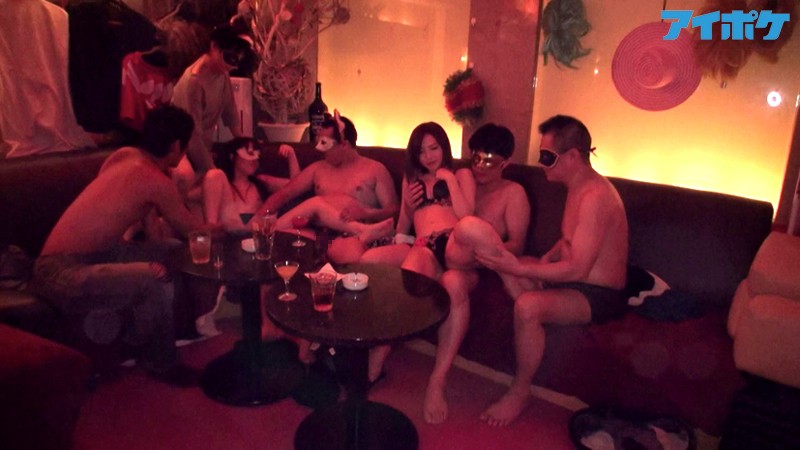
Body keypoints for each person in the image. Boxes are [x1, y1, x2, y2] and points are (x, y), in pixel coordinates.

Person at [30, 104, 215, 386]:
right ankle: (162, 363)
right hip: (60, 273)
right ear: (177, 146)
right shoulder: (155, 180)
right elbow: (194, 232)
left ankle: (141, 338)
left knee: (170, 251)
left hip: (97, 255)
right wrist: (225, 229)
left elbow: (151, 234)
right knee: (154, 279)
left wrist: (149, 251)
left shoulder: (124, 155)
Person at [475, 115, 629, 426]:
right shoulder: (576, 186)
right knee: (513, 267)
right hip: (576, 281)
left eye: (547, 157)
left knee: (527, 305)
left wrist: (522, 267)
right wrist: (544, 259)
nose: (540, 163)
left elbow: (578, 269)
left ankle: (520, 391)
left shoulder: (596, 197)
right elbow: (570, 239)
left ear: (572, 157)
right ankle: (528, 298)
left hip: (599, 293)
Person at [422, 123, 530, 424]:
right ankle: (437, 381)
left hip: (482, 267)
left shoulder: (513, 193)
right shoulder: (463, 183)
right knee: (463, 239)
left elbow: (517, 244)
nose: (480, 167)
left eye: (489, 161)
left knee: (458, 262)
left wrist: (487, 254)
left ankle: (436, 381)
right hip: (454, 256)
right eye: (476, 158)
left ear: (505, 163)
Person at [360, 121, 476, 384]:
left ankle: (375, 361)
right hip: (421, 244)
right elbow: (403, 227)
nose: (428, 156)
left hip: (453, 244)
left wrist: (449, 181)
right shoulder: (412, 179)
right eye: (421, 151)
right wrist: (409, 208)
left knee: (412, 273)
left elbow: (468, 216)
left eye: (434, 148)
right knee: (368, 263)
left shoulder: (461, 175)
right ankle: (362, 337)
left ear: (444, 146)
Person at [259, 111, 399, 264]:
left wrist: (366, 212)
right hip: (320, 233)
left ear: (344, 144)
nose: (320, 149)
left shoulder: (374, 169)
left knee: (349, 254)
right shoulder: (318, 169)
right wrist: (259, 217)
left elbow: (393, 211)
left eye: (325, 143)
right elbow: (285, 193)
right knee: (283, 238)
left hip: (357, 236)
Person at [209, 137, 300, 227]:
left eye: (258, 156)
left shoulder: (262, 181)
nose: (254, 160)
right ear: (232, 156)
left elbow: (296, 187)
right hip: (228, 229)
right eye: (250, 153)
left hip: (257, 229)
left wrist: (291, 154)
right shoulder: (221, 183)